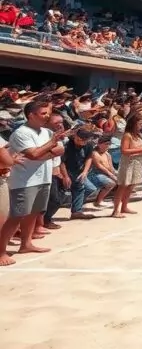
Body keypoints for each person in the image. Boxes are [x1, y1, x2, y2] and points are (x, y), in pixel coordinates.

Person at [0, 100, 70, 266]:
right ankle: (1, 251)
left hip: (43, 178)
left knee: (34, 213)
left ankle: (26, 244)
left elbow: (60, 150)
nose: (46, 116)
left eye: (47, 113)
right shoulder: (21, 133)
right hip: (24, 180)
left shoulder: (46, 132)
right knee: (17, 216)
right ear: (31, 115)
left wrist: (45, 151)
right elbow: (33, 154)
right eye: (43, 113)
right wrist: (50, 145)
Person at [112, 112, 142, 218]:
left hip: (138, 162)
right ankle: (115, 211)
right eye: (139, 124)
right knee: (123, 186)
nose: (141, 126)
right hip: (128, 163)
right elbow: (124, 150)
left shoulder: (139, 135)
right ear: (133, 124)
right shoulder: (127, 135)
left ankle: (124, 207)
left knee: (131, 186)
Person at [65, 125, 103, 220]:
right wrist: (65, 175)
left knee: (87, 188)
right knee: (59, 197)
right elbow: (61, 161)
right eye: (79, 140)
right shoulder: (67, 144)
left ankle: (76, 210)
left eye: (84, 140)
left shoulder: (88, 145)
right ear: (75, 136)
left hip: (79, 172)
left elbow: (89, 157)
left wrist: (85, 171)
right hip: (66, 171)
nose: (82, 142)